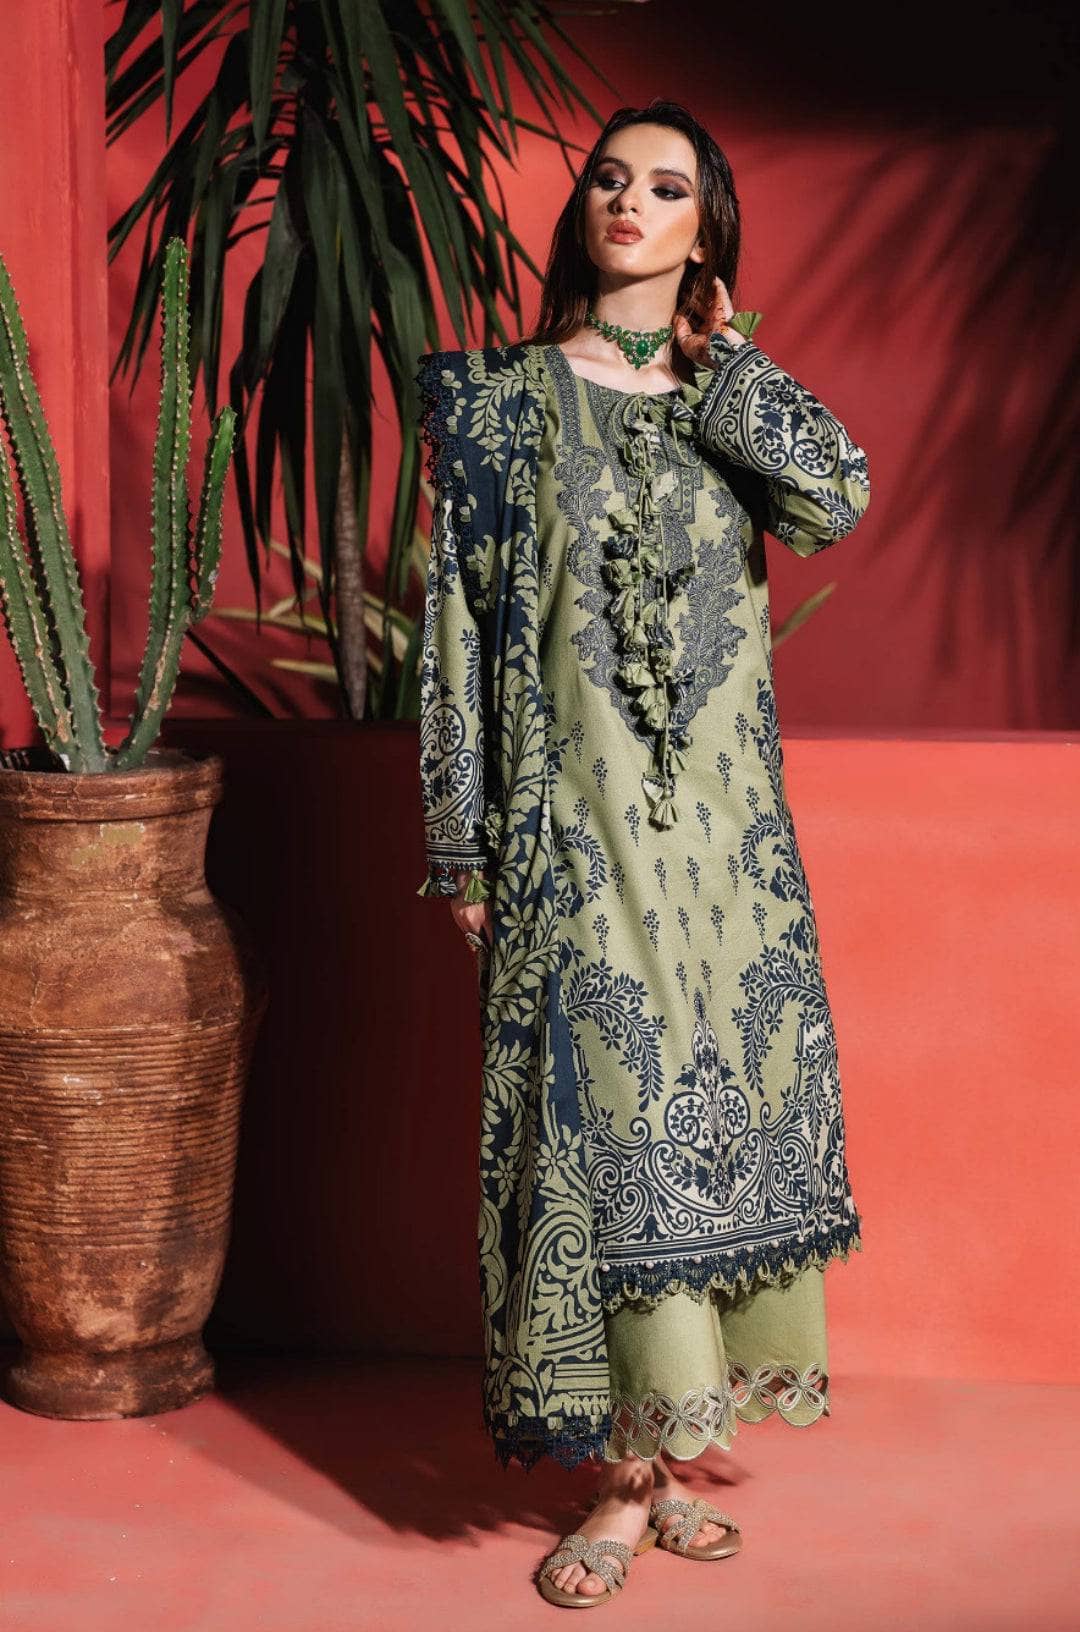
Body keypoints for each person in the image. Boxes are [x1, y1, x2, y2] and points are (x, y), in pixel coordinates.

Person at [414, 98, 871, 1609]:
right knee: (607, 1148)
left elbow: (836, 497)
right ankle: (617, 1484)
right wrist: (461, 838)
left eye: (666, 187)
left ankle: (662, 1463)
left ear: (704, 233)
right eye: (610, 178)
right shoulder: (496, 406)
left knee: (705, 1138)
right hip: (571, 832)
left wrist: (730, 360)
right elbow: (457, 636)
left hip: (725, 849)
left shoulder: (723, 402)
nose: (627, 200)